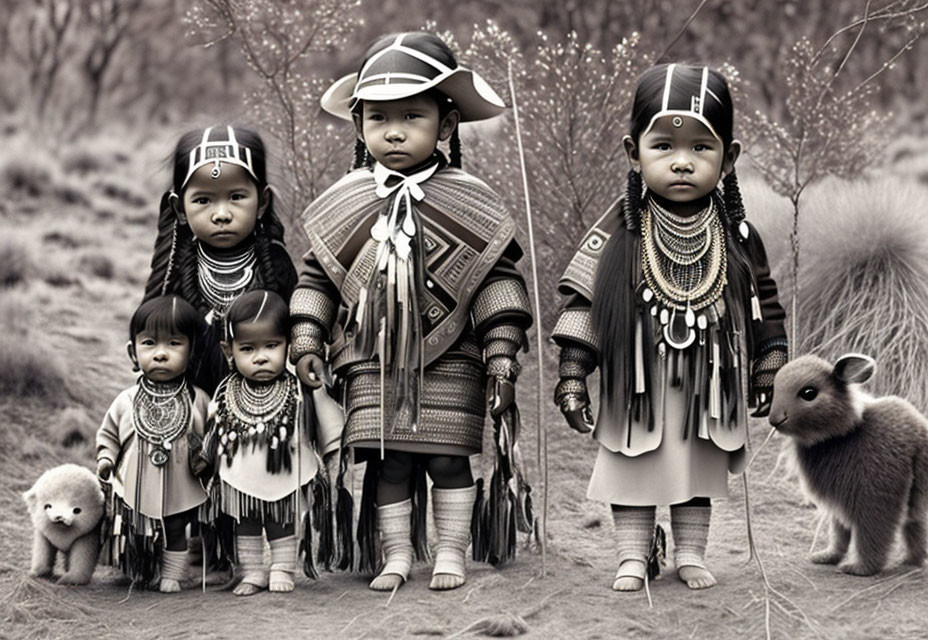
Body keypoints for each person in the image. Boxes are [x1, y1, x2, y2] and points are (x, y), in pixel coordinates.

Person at [290, 32, 534, 592]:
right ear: (358, 127)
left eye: (413, 116)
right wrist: (307, 339)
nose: (394, 131)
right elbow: (318, 280)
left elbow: (499, 282)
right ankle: (397, 554)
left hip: (454, 361)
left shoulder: (472, 198)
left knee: (449, 461)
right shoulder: (344, 201)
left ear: (446, 125)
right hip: (370, 361)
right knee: (389, 463)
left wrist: (500, 358)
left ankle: (450, 551)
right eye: (378, 118)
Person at [552, 63, 787, 592]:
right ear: (633, 151)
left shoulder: (739, 235)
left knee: (696, 465)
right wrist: (573, 374)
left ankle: (690, 553)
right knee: (631, 466)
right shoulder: (617, 230)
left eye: (701, 149)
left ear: (729, 158)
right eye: (664, 147)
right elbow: (583, 302)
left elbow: (763, 304)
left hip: (711, 378)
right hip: (636, 378)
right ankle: (631, 556)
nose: (682, 163)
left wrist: (768, 366)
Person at [200, 290, 339, 596]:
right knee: (245, 522)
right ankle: (252, 572)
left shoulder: (299, 390)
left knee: (280, 521)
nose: (260, 357)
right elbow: (213, 430)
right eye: (247, 348)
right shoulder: (225, 392)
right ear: (228, 351)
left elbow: (324, 423)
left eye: (272, 346)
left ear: (289, 347)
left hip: (284, 471)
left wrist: (329, 457)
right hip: (239, 473)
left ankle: (281, 569)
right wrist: (204, 460)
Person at [141, 125, 297, 396]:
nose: (222, 214)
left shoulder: (276, 264)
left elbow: (296, 336)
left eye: (236, 197)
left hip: (267, 399)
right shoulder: (177, 270)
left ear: (262, 202)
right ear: (179, 208)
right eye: (203, 200)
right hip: (192, 399)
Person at [96, 295, 209, 592]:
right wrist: (106, 459)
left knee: (175, 526)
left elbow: (211, 436)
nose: (161, 354)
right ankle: (141, 570)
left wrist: (206, 459)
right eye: (150, 344)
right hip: (135, 479)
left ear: (192, 350)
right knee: (138, 526)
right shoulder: (126, 401)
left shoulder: (197, 400)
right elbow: (108, 434)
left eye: (174, 344)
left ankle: (174, 574)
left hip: (180, 479)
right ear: (133, 352)